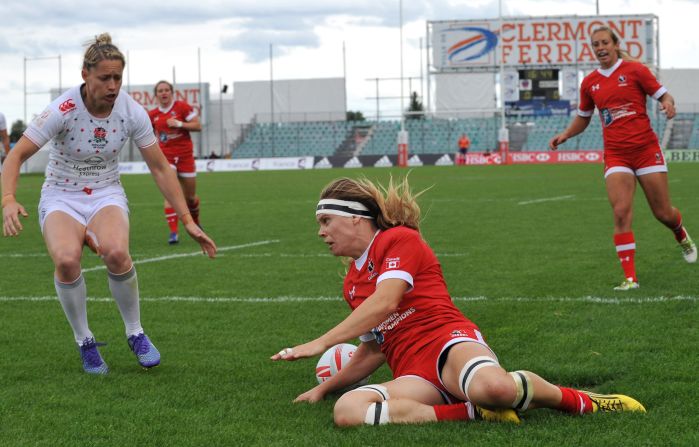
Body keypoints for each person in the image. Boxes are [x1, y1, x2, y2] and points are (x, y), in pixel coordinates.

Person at [271, 176, 645, 427]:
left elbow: (386, 302)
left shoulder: (399, 239)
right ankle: (473, 412)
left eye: (326, 220)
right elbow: (372, 351)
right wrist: (323, 388)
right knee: (348, 411)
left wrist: (321, 343)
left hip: (448, 344)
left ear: (355, 219)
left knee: (496, 389)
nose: (320, 232)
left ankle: (584, 401)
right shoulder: (352, 284)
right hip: (413, 373)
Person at [1, 33, 217, 375]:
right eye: (105, 77)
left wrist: (188, 220)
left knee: (117, 253)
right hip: (61, 193)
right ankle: (85, 340)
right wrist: (9, 199)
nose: (113, 85)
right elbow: (16, 155)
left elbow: (160, 167)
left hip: (105, 192)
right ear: (85, 74)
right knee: (67, 260)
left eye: (118, 77)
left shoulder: (131, 111)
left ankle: (136, 332)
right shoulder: (63, 109)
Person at [549, 26, 696, 291]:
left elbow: (663, 94)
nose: (600, 48)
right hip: (617, 155)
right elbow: (583, 118)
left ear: (615, 44)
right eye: (596, 45)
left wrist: (668, 103)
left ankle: (680, 232)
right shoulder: (589, 83)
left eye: (605, 42)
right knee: (620, 211)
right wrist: (565, 135)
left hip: (645, 150)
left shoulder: (635, 70)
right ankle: (630, 278)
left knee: (663, 213)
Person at [148, 80, 202, 245]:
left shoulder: (182, 107)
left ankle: (196, 223)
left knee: (190, 198)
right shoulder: (152, 115)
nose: (163, 93)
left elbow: (198, 126)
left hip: (185, 156)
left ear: (172, 93)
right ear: (156, 95)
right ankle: (173, 233)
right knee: (170, 193)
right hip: (166, 158)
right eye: (160, 91)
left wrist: (180, 124)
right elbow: (148, 134)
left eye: (166, 90)